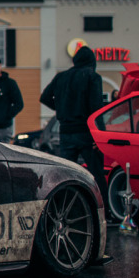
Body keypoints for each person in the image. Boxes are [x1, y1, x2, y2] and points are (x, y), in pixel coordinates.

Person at [40, 45, 108, 204]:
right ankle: (104, 210)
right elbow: (96, 108)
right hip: (86, 133)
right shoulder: (92, 77)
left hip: (65, 132)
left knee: (66, 174)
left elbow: (44, 97)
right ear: (92, 61)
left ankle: (63, 206)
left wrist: (62, 109)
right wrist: (100, 135)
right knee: (96, 174)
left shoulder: (61, 77)